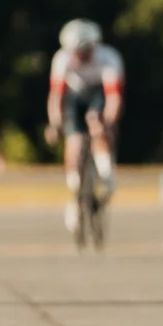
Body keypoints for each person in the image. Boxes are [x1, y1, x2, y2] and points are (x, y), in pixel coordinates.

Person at [45, 19, 124, 210]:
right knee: (74, 140)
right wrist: (55, 123)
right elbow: (56, 97)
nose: (79, 57)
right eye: (75, 52)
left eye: (83, 52)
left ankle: (106, 176)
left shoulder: (109, 58)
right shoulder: (62, 60)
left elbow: (113, 98)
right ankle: (75, 193)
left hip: (98, 94)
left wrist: (108, 122)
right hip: (75, 96)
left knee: (97, 126)